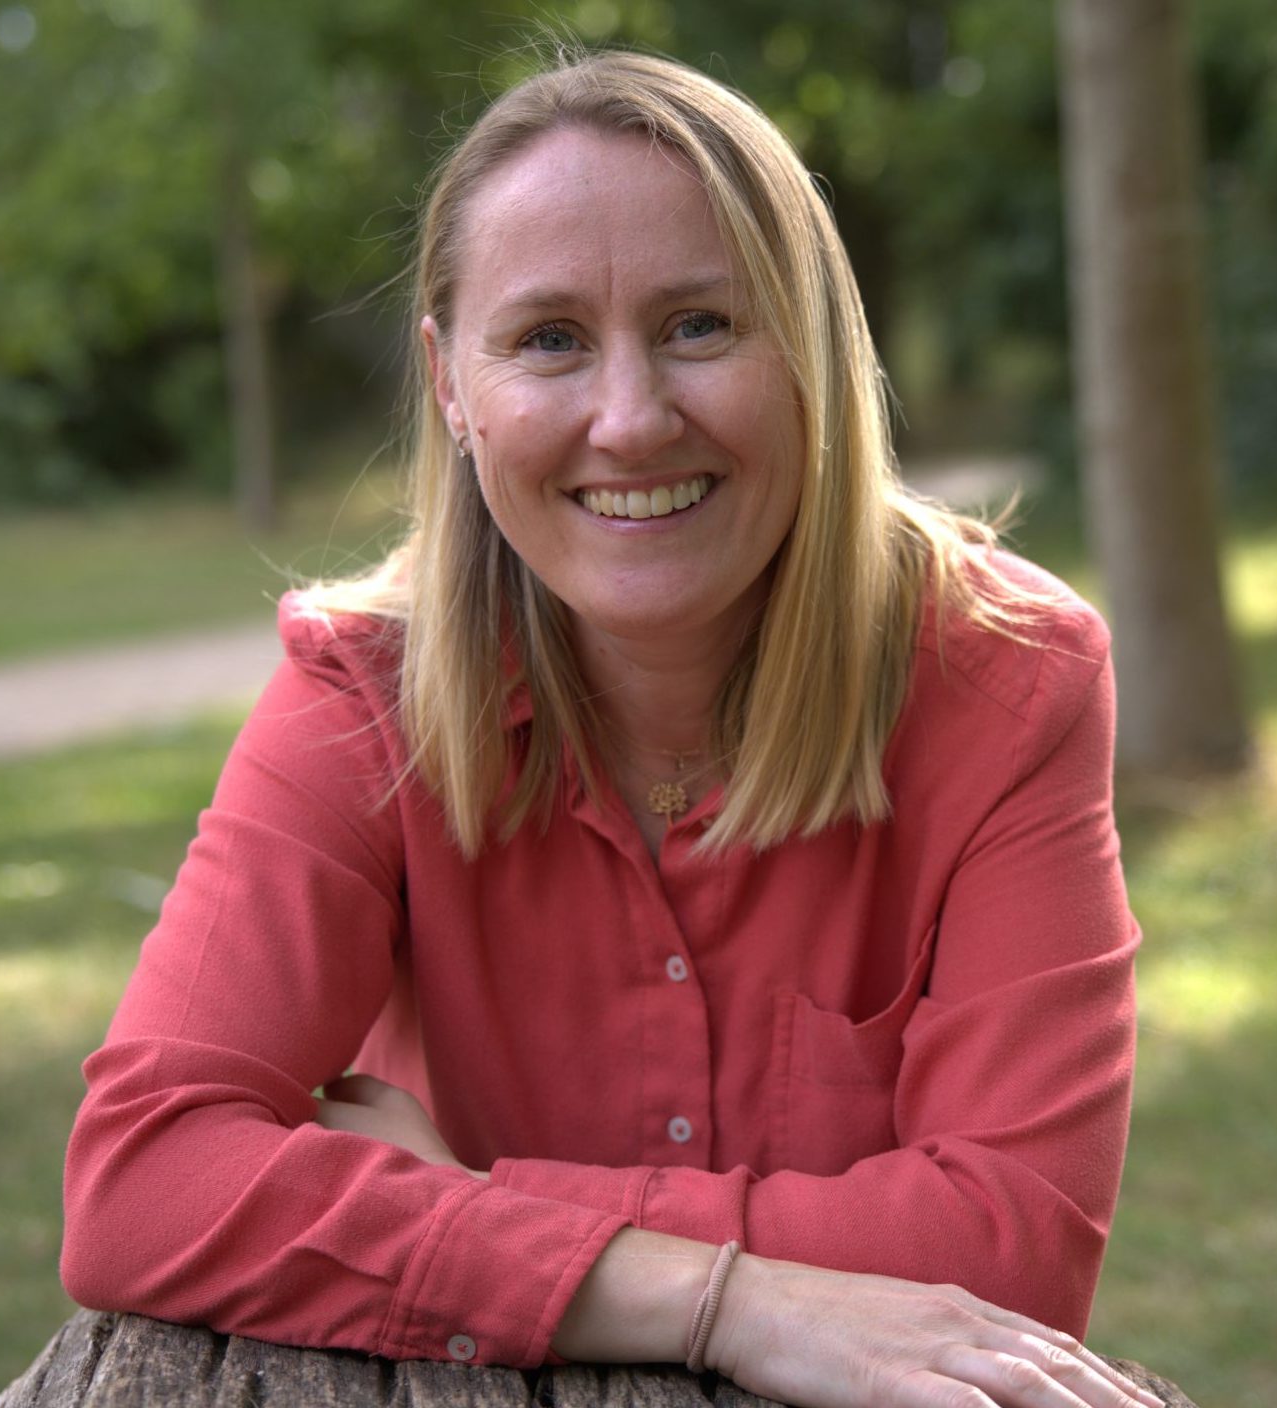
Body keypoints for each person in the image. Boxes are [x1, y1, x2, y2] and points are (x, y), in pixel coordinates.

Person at [61, 49, 1154, 1408]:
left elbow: (1014, 1252)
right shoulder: (362, 700)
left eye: (700, 325)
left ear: (813, 349)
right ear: (451, 384)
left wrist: (465, 1209)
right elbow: (141, 1182)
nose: (630, 421)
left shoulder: (1008, 683)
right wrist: (720, 1298)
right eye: (548, 340)